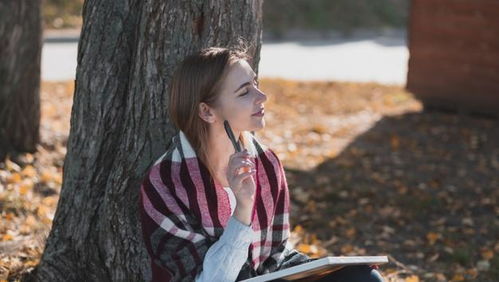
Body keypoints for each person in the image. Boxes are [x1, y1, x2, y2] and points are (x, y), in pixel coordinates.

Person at [138, 46, 385, 282]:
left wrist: (325, 270)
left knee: (363, 278)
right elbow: (206, 279)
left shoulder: (265, 162)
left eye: (255, 84)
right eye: (244, 92)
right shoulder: (166, 183)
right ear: (207, 112)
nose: (262, 96)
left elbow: (275, 257)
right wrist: (243, 210)